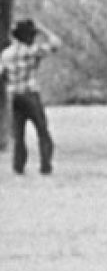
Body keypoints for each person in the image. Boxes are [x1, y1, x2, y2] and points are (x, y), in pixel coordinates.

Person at [1, 17, 61, 175]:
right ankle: (45, 165)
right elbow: (56, 44)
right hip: (30, 93)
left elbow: (2, 74)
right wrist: (43, 30)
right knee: (42, 130)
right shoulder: (31, 51)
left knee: (18, 134)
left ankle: (18, 166)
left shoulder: (6, 54)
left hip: (14, 95)